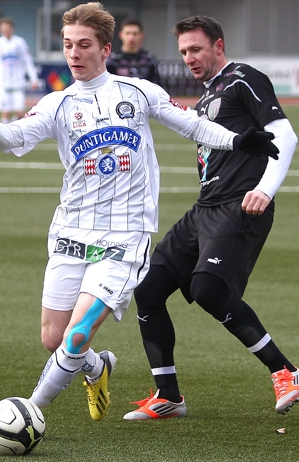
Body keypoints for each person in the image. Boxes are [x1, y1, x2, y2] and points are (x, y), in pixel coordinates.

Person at [0, 2, 278, 422]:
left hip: (125, 236)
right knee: (54, 338)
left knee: (78, 333)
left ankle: (29, 411)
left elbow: (191, 124)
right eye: (67, 45)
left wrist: (236, 141)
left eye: (84, 45)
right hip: (70, 230)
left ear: (105, 49)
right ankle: (96, 367)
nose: (74, 53)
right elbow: (11, 139)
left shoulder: (137, 92)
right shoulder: (57, 104)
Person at [125, 16, 298, 420]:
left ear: (218, 45)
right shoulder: (206, 97)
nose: (189, 58)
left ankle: (286, 372)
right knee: (148, 289)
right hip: (205, 208)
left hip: (240, 205)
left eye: (196, 49)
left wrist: (265, 189)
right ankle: (168, 396)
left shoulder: (243, 78)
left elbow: (285, 135)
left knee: (207, 289)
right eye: (184, 51)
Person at [0, 17, 39, 123]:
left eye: (8, 28)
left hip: (17, 82)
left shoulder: (20, 42)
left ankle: (14, 133)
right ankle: (4, 136)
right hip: (2, 82)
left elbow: (28, 62)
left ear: (13, 29)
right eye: (3, 29)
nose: (6, 31)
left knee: (20, 113)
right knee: (5, 111)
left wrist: (34, 78)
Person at [106, 18, 160, 86]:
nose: (131, 37)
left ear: (141, 35)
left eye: (135, 34)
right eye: (127, 33)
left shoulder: (149, 60)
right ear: (121, 35)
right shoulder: (112, 60)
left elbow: (156, 85)